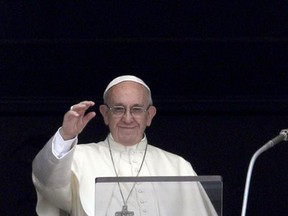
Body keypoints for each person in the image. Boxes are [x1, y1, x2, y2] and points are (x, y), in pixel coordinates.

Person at [32, 75, 218, 216]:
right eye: (118, 109)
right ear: (105, 114)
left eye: (136, 109)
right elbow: (47, 183)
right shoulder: (78, 158)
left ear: (150, 115)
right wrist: (66, 136)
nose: (127, 118)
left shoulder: (178, 167)